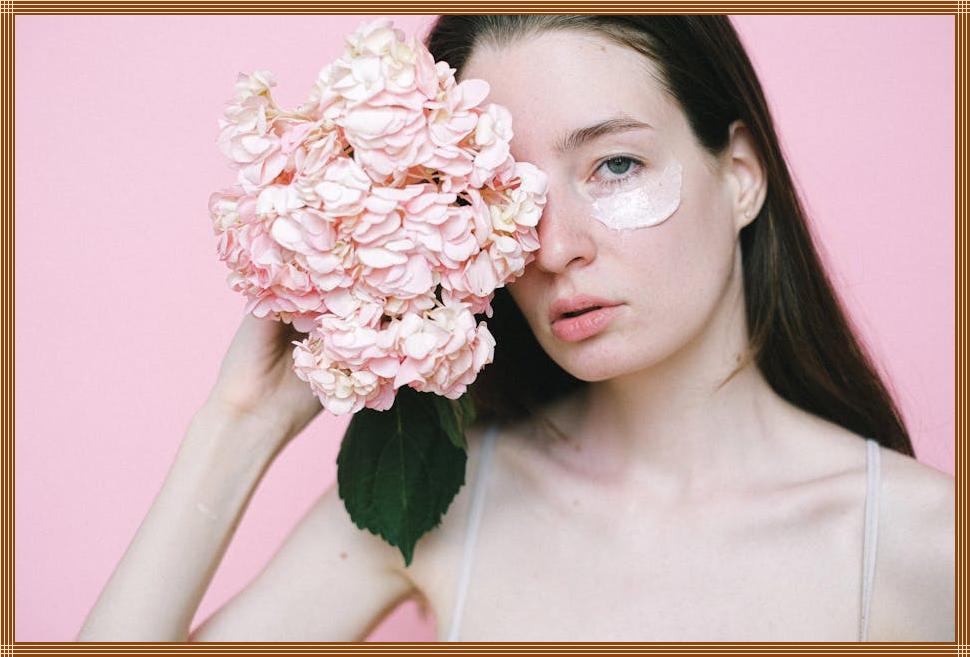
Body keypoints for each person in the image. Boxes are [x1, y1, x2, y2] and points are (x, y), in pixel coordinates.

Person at [76, 15, 954, 642]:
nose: (556, 247)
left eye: (615, 164)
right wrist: (242, 418)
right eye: (505, 194)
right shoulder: (436, 505)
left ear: (742, 176)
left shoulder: (924, 543)